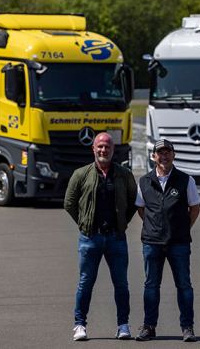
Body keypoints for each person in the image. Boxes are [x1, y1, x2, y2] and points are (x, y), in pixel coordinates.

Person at [64, 132, 138, 341]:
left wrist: (123, 222)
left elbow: (134, 202)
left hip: (116, 238)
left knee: (121, 284)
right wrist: (84, 222)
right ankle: (79, 325)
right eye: (100, 147)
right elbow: (69, 202)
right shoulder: (81, 174)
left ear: (113, 150)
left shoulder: (124, 175)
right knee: (85, 283)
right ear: (93, 149)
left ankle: (123, 325)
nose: (103, 150)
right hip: (90, 238)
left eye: (107, 147)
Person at [135, 139, 200, 342]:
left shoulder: (185, 180)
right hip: (152, 242)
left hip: (178, 242)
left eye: (167, 152)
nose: (163, 156)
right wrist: (155, 226)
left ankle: (187, 327)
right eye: (160, 153)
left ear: (173, 155)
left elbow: (195, 207)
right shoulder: (145, 181)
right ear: (153, 157)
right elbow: (141, 208)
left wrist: (182, 227)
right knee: (151, 285)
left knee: (184, 285)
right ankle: (149, 326)